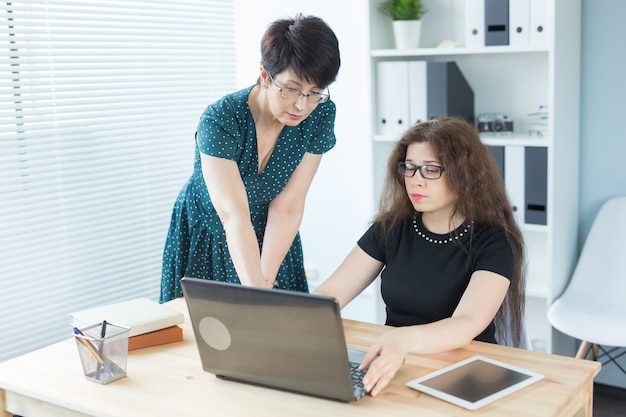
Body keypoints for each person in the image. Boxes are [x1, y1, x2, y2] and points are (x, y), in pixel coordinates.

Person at [314, 116, 526, 396]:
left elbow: (468, 322)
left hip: (465, 368)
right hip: (395, 362)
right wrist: (293, 316)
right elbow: (331, 293)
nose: (416, 181)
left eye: (431, 170)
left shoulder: (495, 241)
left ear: (466, 173)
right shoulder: (390, 229)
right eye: (410, 169)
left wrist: (402, 339)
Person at [160, 14, 341, 303]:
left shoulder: (320, 113)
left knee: (274, 329)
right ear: (264, 75)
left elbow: (289, 207)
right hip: (213, 231)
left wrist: (263, 284)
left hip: (273, 235)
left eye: (314, 93)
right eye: (291, 89)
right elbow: (232, 214)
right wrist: (254, 288)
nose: (301, 105)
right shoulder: (221, 118)